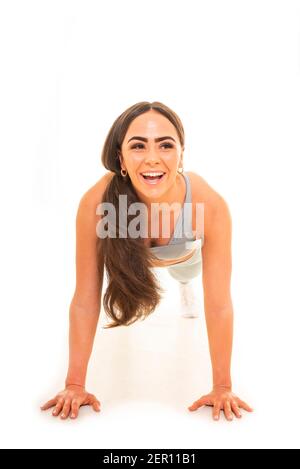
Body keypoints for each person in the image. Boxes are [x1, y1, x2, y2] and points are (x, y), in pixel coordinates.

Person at [40, 101, 253, 421]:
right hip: (130, 260)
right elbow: (85, 298)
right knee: (124, 271)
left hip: (184, 257)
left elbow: (220, 303)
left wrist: (222, 386)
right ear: (120, 158)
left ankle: (183, 287)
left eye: (166, 145)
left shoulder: (208, 203)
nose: (153, 157)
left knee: (186, 274)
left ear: (182, 153)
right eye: (138, 146)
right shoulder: (97, 203)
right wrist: (74, 383)